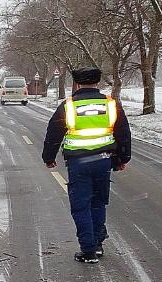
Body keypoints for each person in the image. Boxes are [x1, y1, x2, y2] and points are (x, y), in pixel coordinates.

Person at [42, 67, 131, 264]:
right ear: (97, 82)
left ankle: (88, 250)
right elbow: (123, 132)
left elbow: (54, 133)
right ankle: (97, 244)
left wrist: (49, 157)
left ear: (77, 83)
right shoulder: (110, 104)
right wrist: (122, 159)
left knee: (81, 205)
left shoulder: (68, 106)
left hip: (79, 163)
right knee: (98, 202)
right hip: (103, 160)